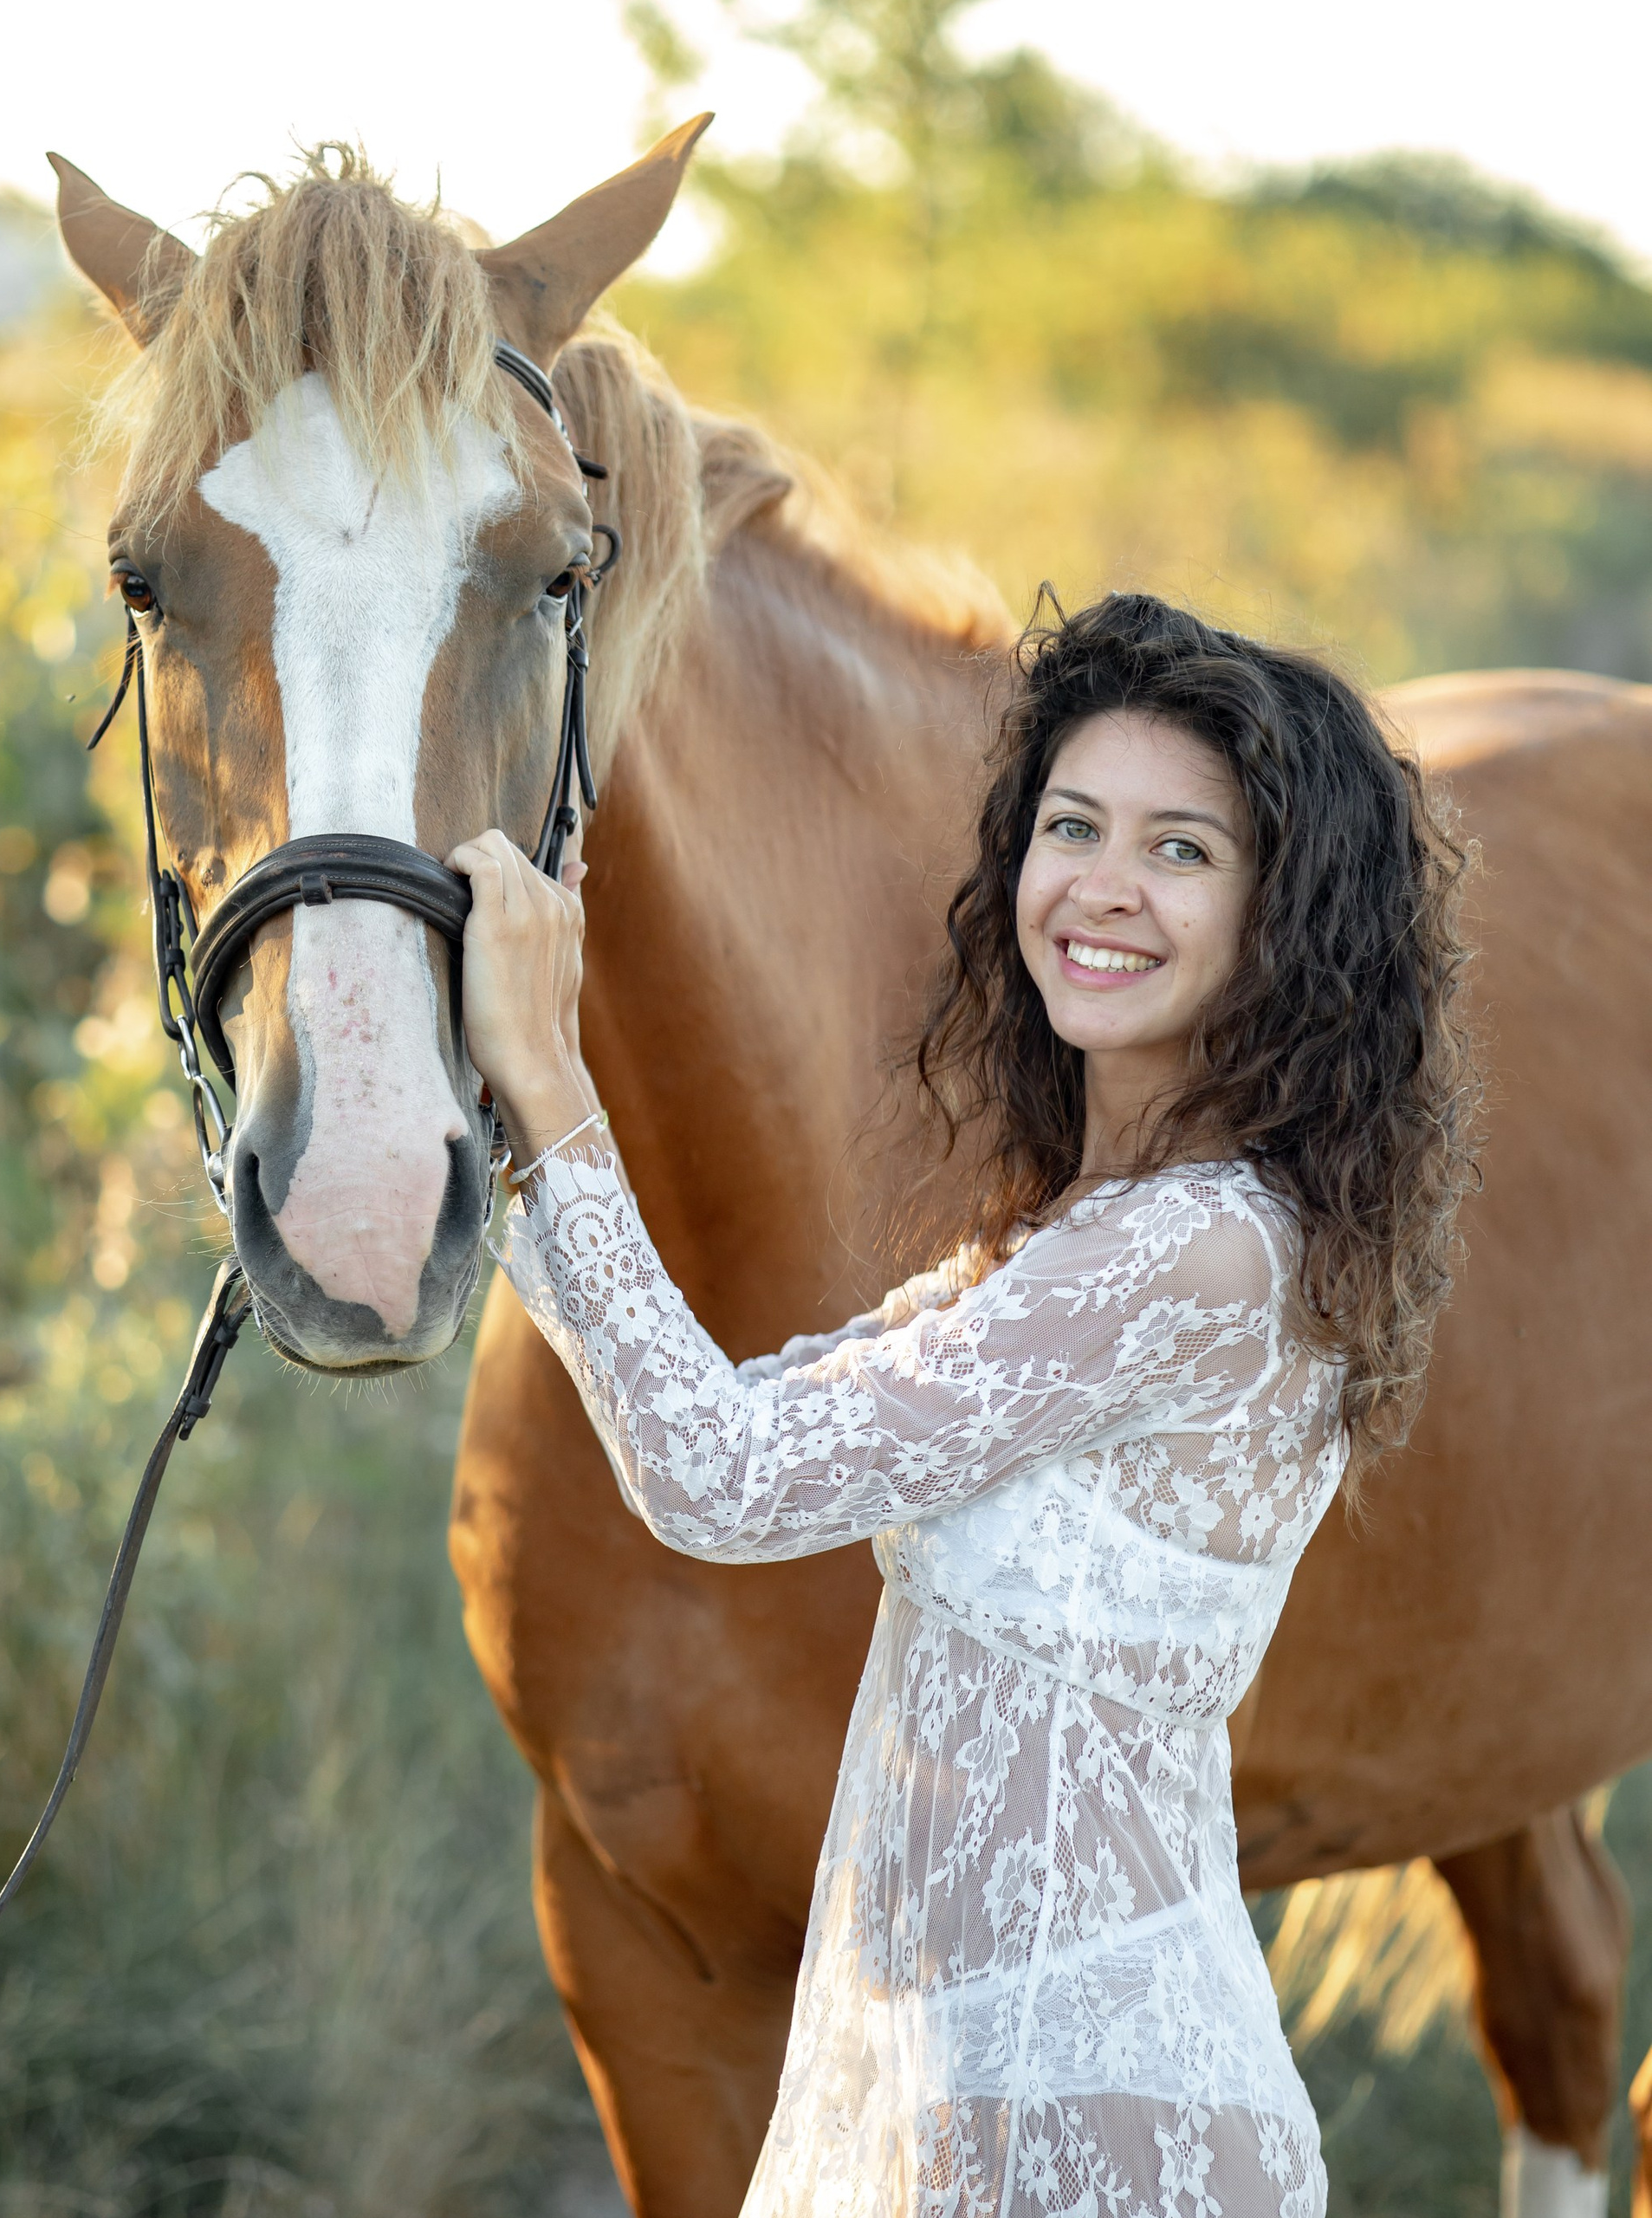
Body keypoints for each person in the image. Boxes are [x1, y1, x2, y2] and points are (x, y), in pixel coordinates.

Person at [450, 593, 1480, 2218]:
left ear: (1286, 915)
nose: (1103, 887)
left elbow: (725, 1479)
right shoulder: (1082, 1238)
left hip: (1102, 2127)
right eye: (1073, 826)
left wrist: (550, 1087)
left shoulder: (1194, 1257)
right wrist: (533, 1075)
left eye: (1182, 849)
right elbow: (743, 1408)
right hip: (965, 2095)